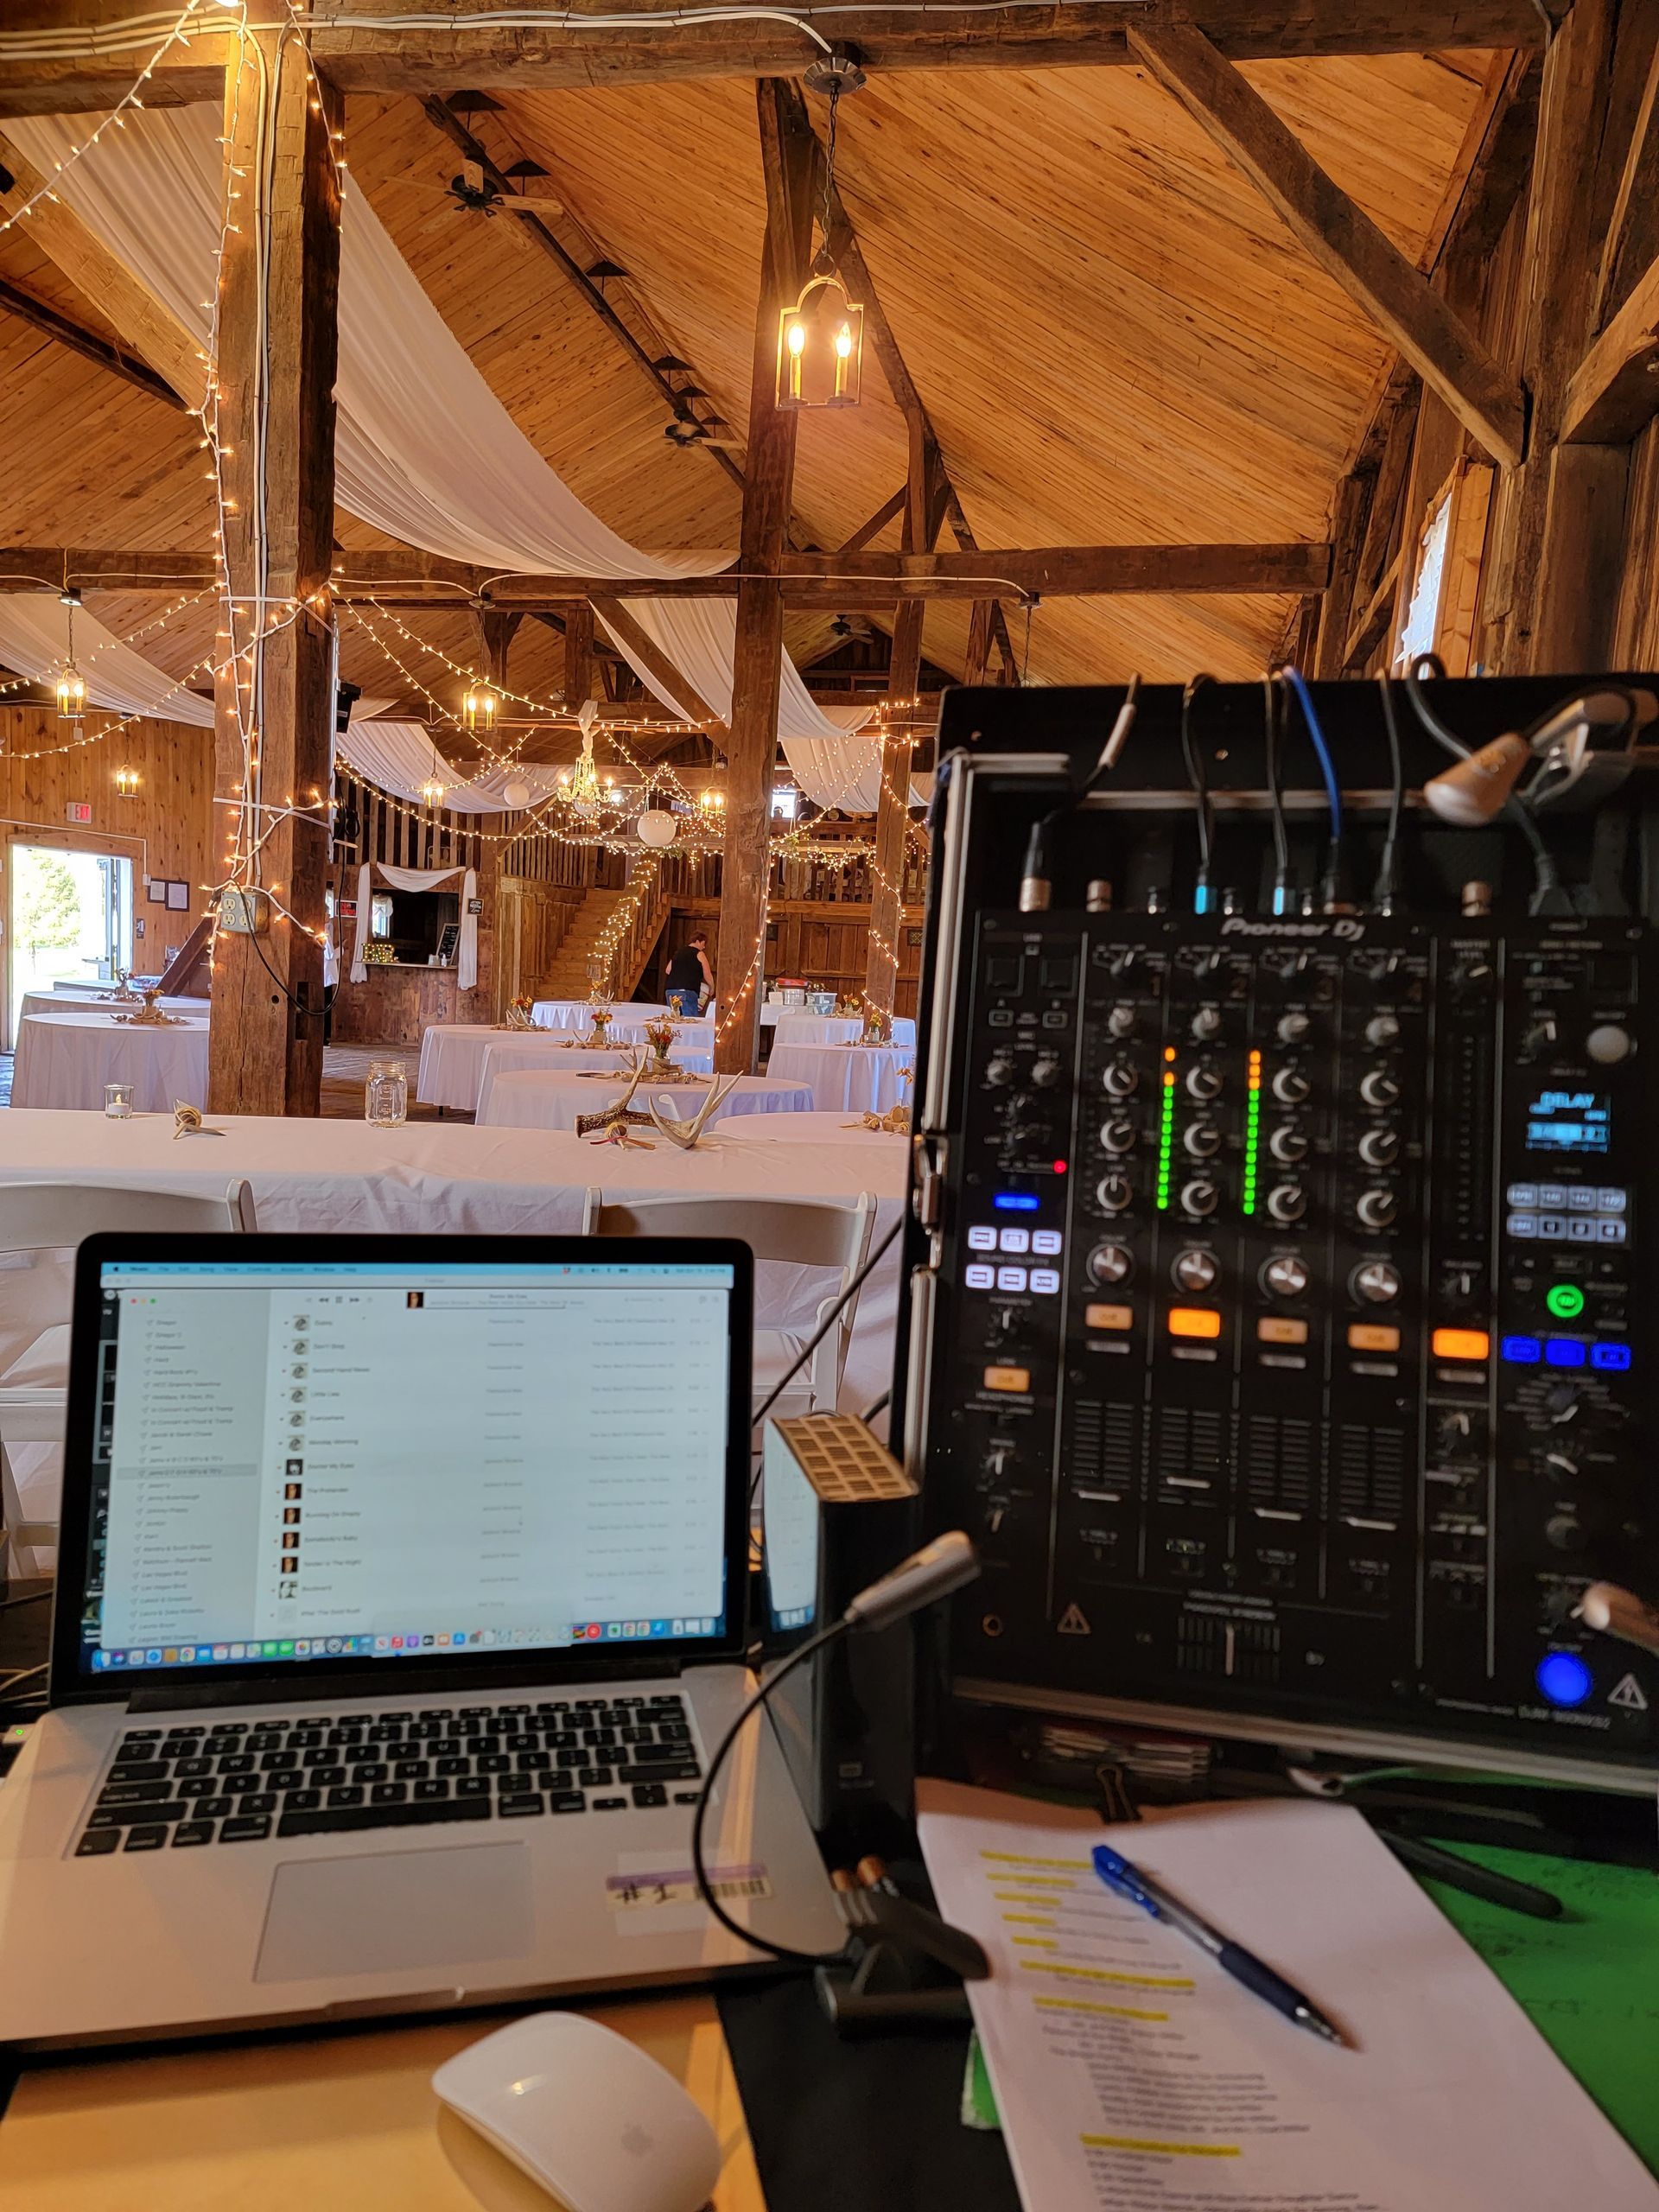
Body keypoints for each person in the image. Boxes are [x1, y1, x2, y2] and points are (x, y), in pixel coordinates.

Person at [664, 931, 713, 1018]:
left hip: (671, 991)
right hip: (687, 992)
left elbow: (668, 970)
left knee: (674, 1019)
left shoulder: (678, 952)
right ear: (697, 941)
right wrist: (712, 987)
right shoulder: (699, 954)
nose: (704, 947)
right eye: (703, 944)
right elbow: (707, 974)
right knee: (689, 1020)